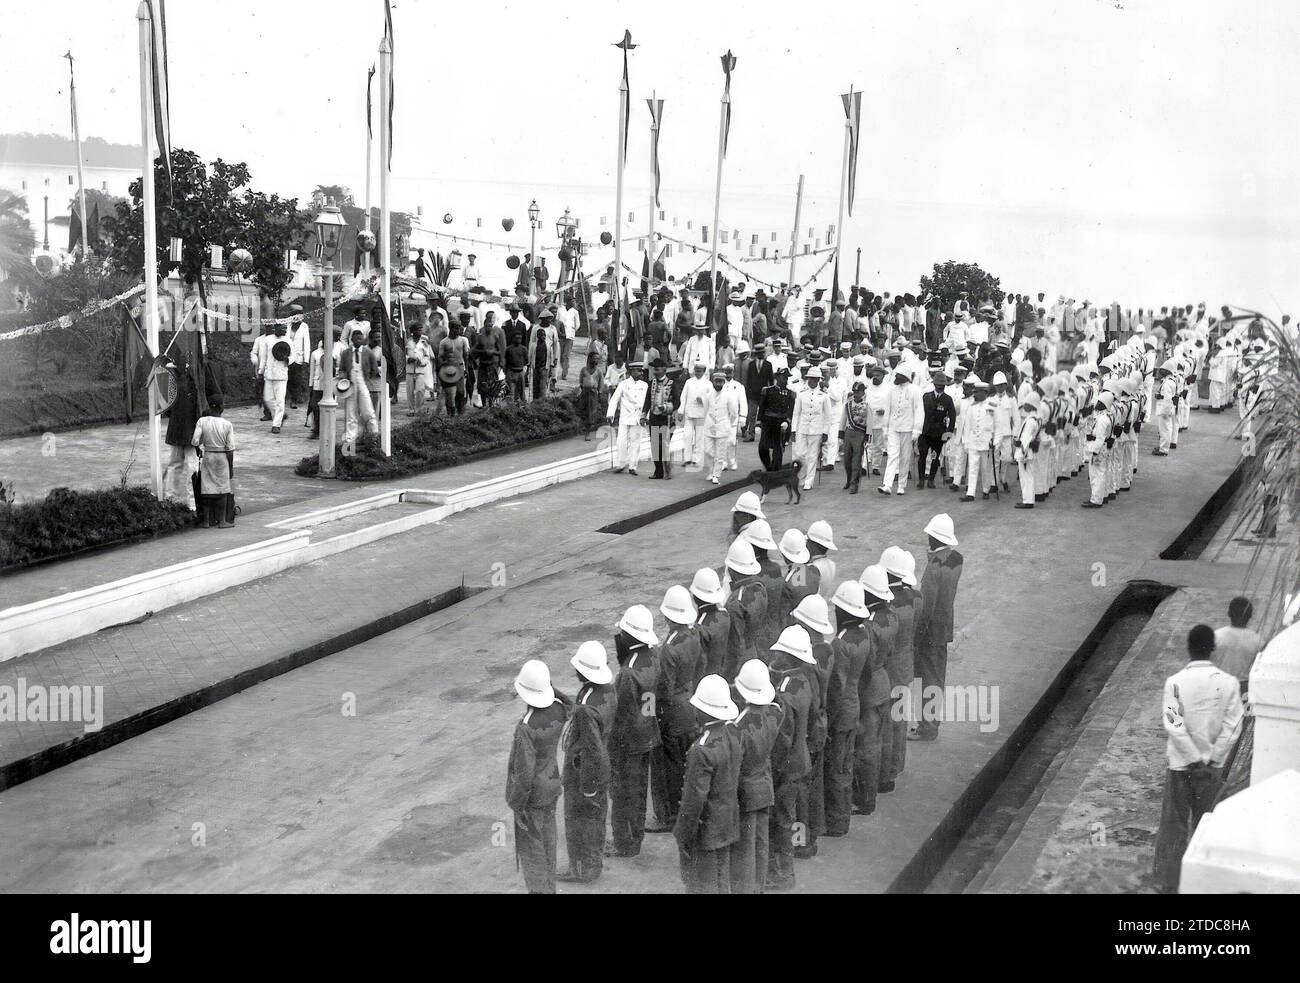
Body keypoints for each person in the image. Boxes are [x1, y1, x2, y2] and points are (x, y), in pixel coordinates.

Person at [1152, 625, 1244, 893]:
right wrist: (1212, 759)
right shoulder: (1228, 683)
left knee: (1173, 826)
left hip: (1181, 765)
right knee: (1208, 825)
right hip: (1212, 770)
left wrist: (1193, 760)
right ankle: (1203, 884)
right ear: (1213, 648)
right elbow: (1233, 724)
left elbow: (1173, 725)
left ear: (1188, 648)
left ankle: (1167, 884)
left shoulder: (1175, 682)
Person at [673, 675, 741, 893]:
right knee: (722, 880)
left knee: (701, 884)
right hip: (728, 821)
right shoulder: (733, 735)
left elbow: (694, 799)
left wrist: (682, 832)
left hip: (706, 829)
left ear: (703, 711)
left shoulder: (701, 749)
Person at [505, 659, 567, 894]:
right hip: (552, 785)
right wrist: (549, 688)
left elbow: (523, 774)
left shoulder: (526, 727)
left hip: (532, 797)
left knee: (532, 852)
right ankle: (549, 888)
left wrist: (517, 805)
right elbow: (569, 703)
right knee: (548, 842)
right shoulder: (559, 710)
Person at [559, 641, 617, 884]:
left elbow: (591, 746)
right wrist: (558, 696)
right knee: (596, 818)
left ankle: (581, 869)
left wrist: (587, 783)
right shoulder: (606, 691)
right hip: (602, 767)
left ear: (584, 672)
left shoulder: (586, 708)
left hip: (584, 770)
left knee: (577, 821)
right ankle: (593, 864)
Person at [608, 605, 661, 857]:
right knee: (639, 790)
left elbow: (621, 714)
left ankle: (624, 843)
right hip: (648, 733)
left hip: (628, 742)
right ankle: (634, 838)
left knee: (622, 793)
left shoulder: (627, 674)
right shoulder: (653, 657)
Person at [766, 625, 814, 891]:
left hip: (786, 766)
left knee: (782, 819)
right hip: (800, 759)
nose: (776, 657)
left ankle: (782, 873)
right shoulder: (803, 682)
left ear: (790, 657)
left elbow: (781, 740)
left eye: (781, 653)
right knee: (790, 815)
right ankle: (785, 866)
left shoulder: (784, 694)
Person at [728, 658, 781, 894]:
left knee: (744, 849)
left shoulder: (738, 727)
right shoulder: (773, 716)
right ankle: (758, 887)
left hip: (746, 791)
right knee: (761, 842)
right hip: (764, 785)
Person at [911, 514, 963, 741]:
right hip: (944, 628)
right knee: (937, 677)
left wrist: (915, 638)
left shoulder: (933, 567)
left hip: (930, 632)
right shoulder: (956, 559)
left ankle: (927, 727)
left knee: (928, 679)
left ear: (935, 538)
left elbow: (926, 607)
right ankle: (931, 724)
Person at [879, 548, 917, 788]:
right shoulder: (914, 598)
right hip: (905, 664)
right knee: (900, 719)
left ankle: (888, 771)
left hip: (890, 668)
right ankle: (897, 765)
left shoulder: (889, 606)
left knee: (887, 724)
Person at [191, 398, 236, 528]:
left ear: (210, 407)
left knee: (206, 488)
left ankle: (206, 521)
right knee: (222, 490)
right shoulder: (227, 424)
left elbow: (195, 440)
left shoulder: (202, 421)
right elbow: (230, 448)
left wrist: (200, 446)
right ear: (222, 407)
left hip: (208, 456)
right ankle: (222, 521)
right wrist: (231, 468)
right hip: (222, 457)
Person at [880, 366, 924, 495]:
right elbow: (887, 410)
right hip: (894, 427)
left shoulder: (915, 390)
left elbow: (919, 411)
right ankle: (887, 484)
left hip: (908, 428)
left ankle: (901, 485)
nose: (895, 378)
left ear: (905, 376)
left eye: (898, 375)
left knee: (905, 457)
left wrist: (917, 430)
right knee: (892, 455)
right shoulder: (891, 391)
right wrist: (885, 428)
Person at [791, 366, 831, 492]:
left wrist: (825, 432)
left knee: (812, 456)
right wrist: (793, 430)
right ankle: (801, 478)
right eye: (810, 379)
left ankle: (809, 481)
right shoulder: (801, 394)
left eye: (814, 379)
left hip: (816, 429)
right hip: (802, 428)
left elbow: (828, 416)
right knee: (799, 454)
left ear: (818, 380)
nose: (811, 381)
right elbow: (796, 413)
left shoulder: (824, 396)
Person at [1213, 597, 1264, 695]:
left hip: (1219, 686)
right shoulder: (1258, 640)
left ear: (1228, 613)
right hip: (1243, 689)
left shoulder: (1215, 636)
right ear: (1250, 616)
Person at [917, 372, 956, 489]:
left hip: (939, 433)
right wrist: (917, 429)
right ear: (934, 385)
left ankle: (931, 480)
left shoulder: (948, 399)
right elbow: (919, 413)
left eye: (942, 385)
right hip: (925, 431)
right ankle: (921, 480)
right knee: (922, 456)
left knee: (935, 457)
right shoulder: (926, 396)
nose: (940, 387)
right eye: (938, 384)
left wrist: (948, 433)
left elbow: (953, 417)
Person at [607, 361, 648, 474]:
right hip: (625, 417)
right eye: (638, 370)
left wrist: (646, 416)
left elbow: (647, 403)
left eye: (641, 371)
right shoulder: (623, 384)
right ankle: (620, 464)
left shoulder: (644, 385)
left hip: (638, 417)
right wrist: (610, 414)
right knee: (621, 441)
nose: (641, 373)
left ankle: (632, 467)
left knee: (635, 443)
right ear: (631, 371)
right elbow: (614, 399)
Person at [702, 370, 740, 484]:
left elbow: (733, 413)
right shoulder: (708, 395)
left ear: (723, 382)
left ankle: (716, 474)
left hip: (723, 427)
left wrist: (727, 423)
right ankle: (710, 471)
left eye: (720, 382)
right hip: (709, 426)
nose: (718, 384)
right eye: (716, 381)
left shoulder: (729, 396)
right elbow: (704, 411)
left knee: (720, 452)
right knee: (708, 451)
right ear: (713, 382)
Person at [644, 358, 677, 479]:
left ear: (664, 370)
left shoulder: (672, 383)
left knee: (664, 445)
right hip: (653, 418)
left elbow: (677, 401)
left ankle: (667, 470)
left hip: (666, 419)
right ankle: (658, 472)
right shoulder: (651, 383)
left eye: (657, 369)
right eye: (654, 369)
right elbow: (647, 401)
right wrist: (643, 415)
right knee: (654, 445)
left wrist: (666, 407)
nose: (654, 372)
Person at [756, 369, 796, 471]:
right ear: (777, 378)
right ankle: (768, 466)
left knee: (777, 448)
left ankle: (775, 470)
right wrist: (758, 423)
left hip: (780, 423)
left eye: (787, 378)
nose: (785, 380)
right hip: (768, 422)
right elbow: (762, 407)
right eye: (784, 378)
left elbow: (791, 410)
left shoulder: (790, 394)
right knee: (763, 448)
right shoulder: (767, 391)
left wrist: (787, 421)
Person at [679, 361, 714, 470]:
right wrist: (681, 411)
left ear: (704, 372)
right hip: (689, 412)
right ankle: (687, 458)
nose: (698, 373)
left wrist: (703, 400)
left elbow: (712, 398)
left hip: (701, 414)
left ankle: (697, 459)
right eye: (696, 371)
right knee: (687, 436)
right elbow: (683, 396)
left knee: (699, 438)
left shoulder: (708, 383)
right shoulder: (689, 382)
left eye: (700, 371)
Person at [840, 380, 871, 493]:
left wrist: (868, 437)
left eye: (858, 392)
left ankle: (854, 483)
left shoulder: (866, 406)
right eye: (854, 392)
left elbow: (869, 422)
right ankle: (849, 479)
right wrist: (841, 434)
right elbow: (843, 420)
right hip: (849, 432)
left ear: (863, 392)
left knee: (856, 460)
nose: (856, 394)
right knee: (847, 460)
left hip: (860, 434)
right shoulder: (848, 405)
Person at [1013, 391, 1042, 508]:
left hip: (1025, 452)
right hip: (1029, 452)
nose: (1024, 405)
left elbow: (1025, 440)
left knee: (1026, 477)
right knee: (1028, 476)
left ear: (1032, 405)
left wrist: (1022, 452)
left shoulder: (1030, 421)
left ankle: (1028, 500)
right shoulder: (1036, 418)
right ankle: (1028, 499)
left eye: (1026, 403)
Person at [576, 351, 605, 440]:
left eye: (597, 358)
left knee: (591, 413)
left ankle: (587, 433)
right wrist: (583, 390)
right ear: (590, 359)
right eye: (594, 358)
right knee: (582, 411)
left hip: (593, 394)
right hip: (585, 392)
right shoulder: (584, 370)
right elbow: (580, 381)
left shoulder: (599, 371)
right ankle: (582, 427)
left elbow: (601, 383)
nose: (596, 360)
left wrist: (599, 393)